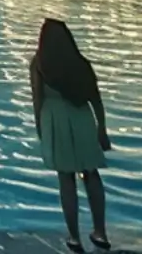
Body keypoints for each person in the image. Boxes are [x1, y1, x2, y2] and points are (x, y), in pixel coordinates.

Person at [31, 19, 111, 253]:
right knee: (91, 174)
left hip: (55, 120)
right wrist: (102, 128)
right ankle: (101, 232)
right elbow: (96, 98)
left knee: (66, 179)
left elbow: (38, 99)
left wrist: (40, 129)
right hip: (83, 119)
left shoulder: (39, 64)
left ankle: (74, 237)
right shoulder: (80, 63)